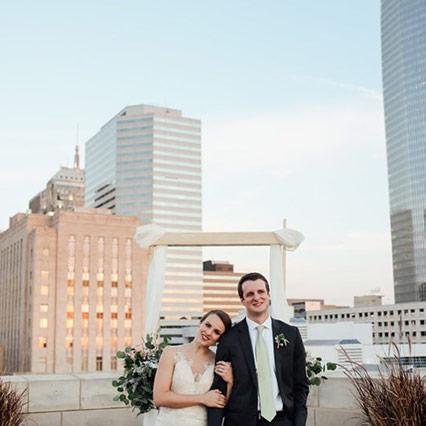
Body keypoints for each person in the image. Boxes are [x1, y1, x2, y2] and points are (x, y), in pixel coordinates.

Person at [208, 272, 309, 426]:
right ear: (243, 300)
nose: (256, 297)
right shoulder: (229, 339)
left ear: (268, 295)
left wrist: (299, 423)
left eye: (261, 292)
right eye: (249, 294)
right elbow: (219, 392)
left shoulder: (291, 334)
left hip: (283, 421)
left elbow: (300, 385)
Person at [153, 310, 233, 426]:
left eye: (216, 332)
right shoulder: (170, 352)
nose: (209, 332)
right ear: (200, 322)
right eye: (207, 325)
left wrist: (230, 381)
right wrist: (203, 398)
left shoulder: (218, 363)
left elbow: (222, 404)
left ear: (220, 339)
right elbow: (160, 398)